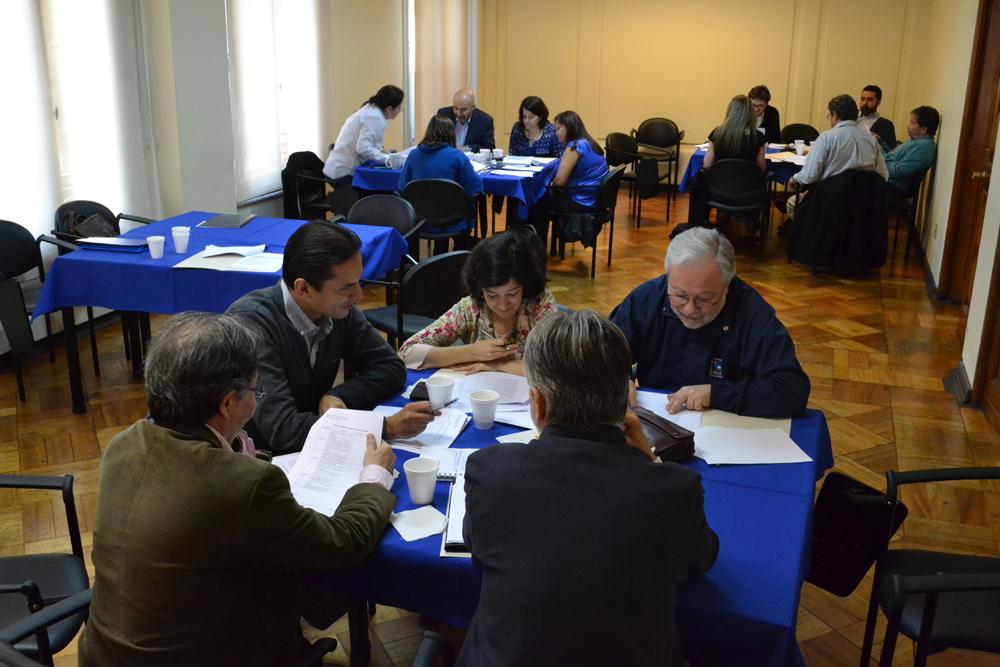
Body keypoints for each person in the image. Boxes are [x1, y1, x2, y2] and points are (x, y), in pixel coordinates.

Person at [78, 312, 397, 666]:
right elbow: (342, 544)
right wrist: (373, 476)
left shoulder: (123, 444)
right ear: (227, 403)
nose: (256, 401)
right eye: (255, 390)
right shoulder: (244, 485)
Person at [459, 309, 719, 666]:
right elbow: (701, 558)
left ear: (538, 403)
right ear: (623, 400)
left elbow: (476, 544)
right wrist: (653, 464)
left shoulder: (490, 472)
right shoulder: (674, 491)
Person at [227, 221, 433, 454]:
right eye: (346, 287)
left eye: (358, 282)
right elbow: (283, 431)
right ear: (303, 288)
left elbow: (391, 367)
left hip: (314, 445)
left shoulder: (336, 310)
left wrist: (335, 395)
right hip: (262, 457)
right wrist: (385, 428)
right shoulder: (252, 325)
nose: (359, 295)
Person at [610, 227, 810, 418]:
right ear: (669, 277)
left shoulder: (753, 314)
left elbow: (791, 390)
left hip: (728, 433)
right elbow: (602, 352)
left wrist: (716, 394)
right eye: (680, 295)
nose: (689, 309)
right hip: (658, 422)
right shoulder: (647, 299)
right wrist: (616, 378)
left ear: (727, 287)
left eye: (704, 299)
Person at [398, 227, 557, 375]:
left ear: (525, 286)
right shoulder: (471, 308)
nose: (503, 305)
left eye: (512, 293)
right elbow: (407, 353)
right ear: (480, 290)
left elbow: (555, 367)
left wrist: (497, 365)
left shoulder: (539, 305)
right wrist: (472, 352)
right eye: (492, 295)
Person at [784, 94, 888, 218]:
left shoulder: (827, 138)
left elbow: (809, 176)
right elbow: (883, 175)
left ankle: (812, 236)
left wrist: (794, 179)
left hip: (830, 201)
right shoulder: (871, 140)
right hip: (863, 205)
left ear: (834, 115)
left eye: (829, 116)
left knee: (792, 203)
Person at [398, 115, 484, 252]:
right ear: (451, 133)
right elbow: (476, 188)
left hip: (420, 220)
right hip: (452, 220)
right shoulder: (457, 157)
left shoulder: (414, 155)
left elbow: (402, 187)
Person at [686, 95, 768, 227]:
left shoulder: (717, 133)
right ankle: (752, 225)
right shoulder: (757, 137)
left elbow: (707, 165)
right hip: (749, 193)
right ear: (749, 113)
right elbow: (761, 168)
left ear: (730, 111)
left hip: (718, 192)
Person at [526, 110, 608, 240]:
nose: (556, 132)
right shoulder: (589, 143)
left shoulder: (575, 146)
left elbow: (559, 181)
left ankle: (534, 243)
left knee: (537, 200)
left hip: (581, 200)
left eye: (558, 128)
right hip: (594, 198)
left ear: (568, 127)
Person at [323, 84, 404, 186]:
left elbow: (369, 145)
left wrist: (383, 154)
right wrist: (387, 159)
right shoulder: (374, 117)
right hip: (343, 174)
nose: (399, 111)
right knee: (382, 191)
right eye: (399, 108)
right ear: (389, 109)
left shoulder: (371, 110)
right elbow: (363, 148)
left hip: (337, 169)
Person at [883, 105, 938, 194]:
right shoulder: (916, 141)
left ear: (923, 129)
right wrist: (880, 143)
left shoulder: (923, 147)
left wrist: (881, 159)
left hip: (891, 187)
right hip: (885, 179)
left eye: (912, 123)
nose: (907, 126)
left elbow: (897, 171)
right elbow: (894, 156)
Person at [436, 87, 495, 152]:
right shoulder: (444, 115)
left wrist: (465, 149)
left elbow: (489, 148)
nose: (458, 113)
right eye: (455, 108)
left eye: (463, 110)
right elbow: (435, 140)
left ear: (473, 108)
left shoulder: (485, 121)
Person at [858, 84, 898, 150]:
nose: (864, 103)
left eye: (870, 100)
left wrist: (880, 141)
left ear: (878, 102)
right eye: (862, 99)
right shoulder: (853, 121)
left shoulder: (886, 125)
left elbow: (891, 151)